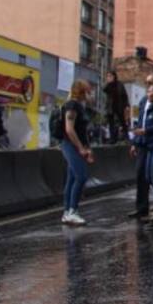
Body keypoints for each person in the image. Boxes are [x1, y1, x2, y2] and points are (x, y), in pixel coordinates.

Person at [128, 80, 153, 221]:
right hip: (142, 144)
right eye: (148, 90)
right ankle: (141, 208)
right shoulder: (144, 102)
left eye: (151, 91)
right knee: (140, 175)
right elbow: (139, 122)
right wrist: (134, 143)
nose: (148, 93)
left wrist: (147, 131)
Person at [59, 80, 95, 226]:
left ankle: (67, 212)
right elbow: (69, 129)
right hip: (70, 145)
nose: (90, 95)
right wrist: (80, 148)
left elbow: (82, 131)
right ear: (81, 92)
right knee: (81, 176)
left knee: (72, 178)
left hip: (77, 145)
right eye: (88, 92)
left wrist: (87, 148)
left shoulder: (80, 106)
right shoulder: (72, 105)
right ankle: (72, 211)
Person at [103, 70, 129, 144]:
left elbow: (125, 96)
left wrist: (127, 105)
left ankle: (126, 137)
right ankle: (112, 139)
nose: (108, 77)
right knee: (111, 123)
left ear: (114, 76)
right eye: (107, 76)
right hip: (110, 107)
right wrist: (108, 83)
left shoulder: (120, 84)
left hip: (119, 106)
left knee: (122, 122)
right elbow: (104, 89)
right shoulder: (108, 85)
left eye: (110, 76)